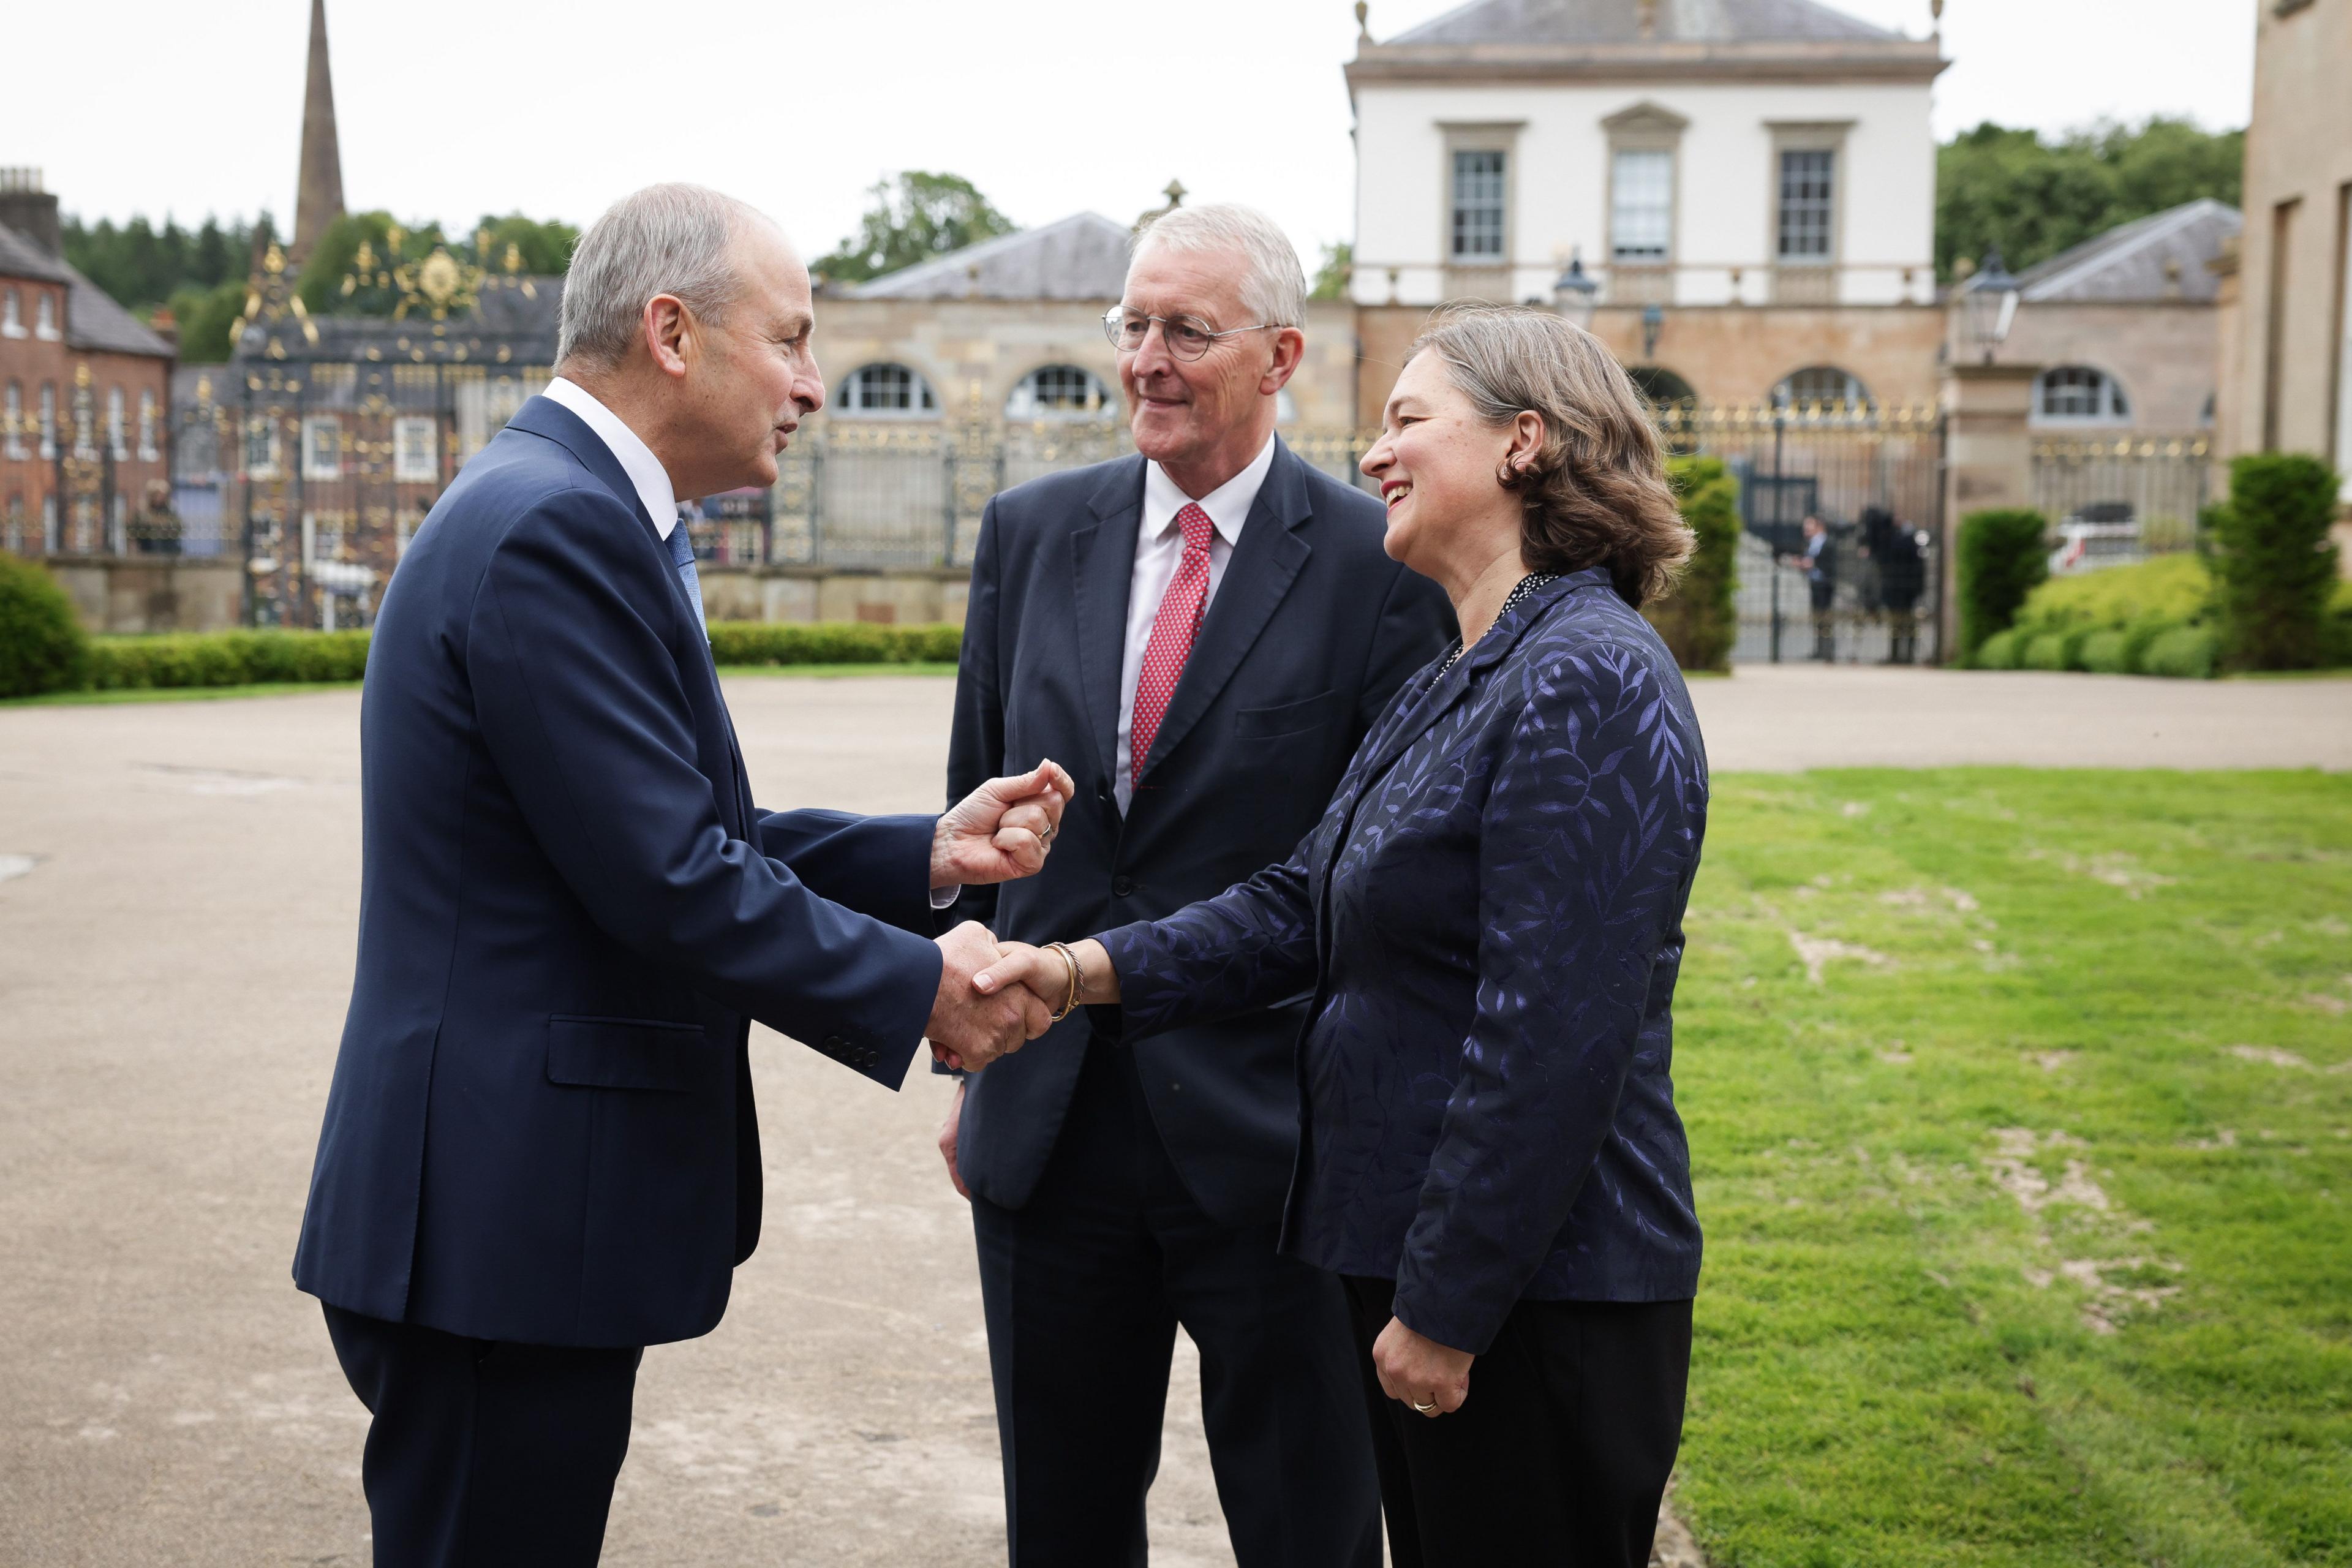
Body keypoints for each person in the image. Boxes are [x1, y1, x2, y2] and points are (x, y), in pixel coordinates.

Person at [291, 184, 1072, 1567]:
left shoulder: (569, 502)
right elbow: (665, 875)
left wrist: (921, 856)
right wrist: (918, 990)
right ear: (670, 331)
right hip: (494, 1226)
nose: (814, 386)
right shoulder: (555, 526)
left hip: (501, 1218)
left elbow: (674, 831)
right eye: (790, 340)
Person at [973, 304, 1708, 1568]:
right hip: (1450, 1275)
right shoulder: (1471, 667)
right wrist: (1073, 970)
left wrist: (1448, 1304)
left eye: (1408, 420)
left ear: (1524, 441)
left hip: (1540, 1299)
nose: (1374, 454)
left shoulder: (1586, 673)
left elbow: (1551, 1039)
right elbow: (1294, 901)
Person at [940, 203, 1452, 1567]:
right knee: (1062, 1522)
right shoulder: (1029, 532)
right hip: (1048, 1128)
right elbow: (972, 836)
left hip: (1279, 1145)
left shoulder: (1377, 562)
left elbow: (1370, 876)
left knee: (1308, 1528)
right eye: (1133, 325)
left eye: (1187, 330)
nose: (1148, 359)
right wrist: (975, 1070)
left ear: (1281, 354)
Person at [1860, 505, 1926, 663]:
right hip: (1895, 586)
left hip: (1905, 587)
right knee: (1896, 622)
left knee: (1907, 621)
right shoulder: (1889, 538)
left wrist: (1917, 587)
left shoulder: (1905, 538)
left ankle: (1908, 655)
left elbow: (1916, 565)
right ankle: (1897, 654)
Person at [1784, 511, 1836, 661]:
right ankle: (1819, 649)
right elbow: (1809, 561)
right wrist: (1801, 564)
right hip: (1815, 584)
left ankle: (1828, 651)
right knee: (1817, 618)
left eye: (1809, 525)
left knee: (1826, 618)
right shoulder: (1810, 543)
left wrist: (1812, 564)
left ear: (1819, 526)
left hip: (1825, 585)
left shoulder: (1828, 542)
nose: (1805, 528)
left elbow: (1829, 563)